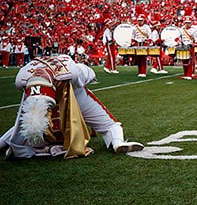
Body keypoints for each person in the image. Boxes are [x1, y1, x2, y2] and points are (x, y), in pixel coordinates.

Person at [0, 55, 143, 159]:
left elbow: (88, 73)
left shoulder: (73, 72)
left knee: (108, 123)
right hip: (44, 94)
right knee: (31, 120)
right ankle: (116, 141)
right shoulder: (23, 78)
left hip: (74, 93)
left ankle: (117, 142)